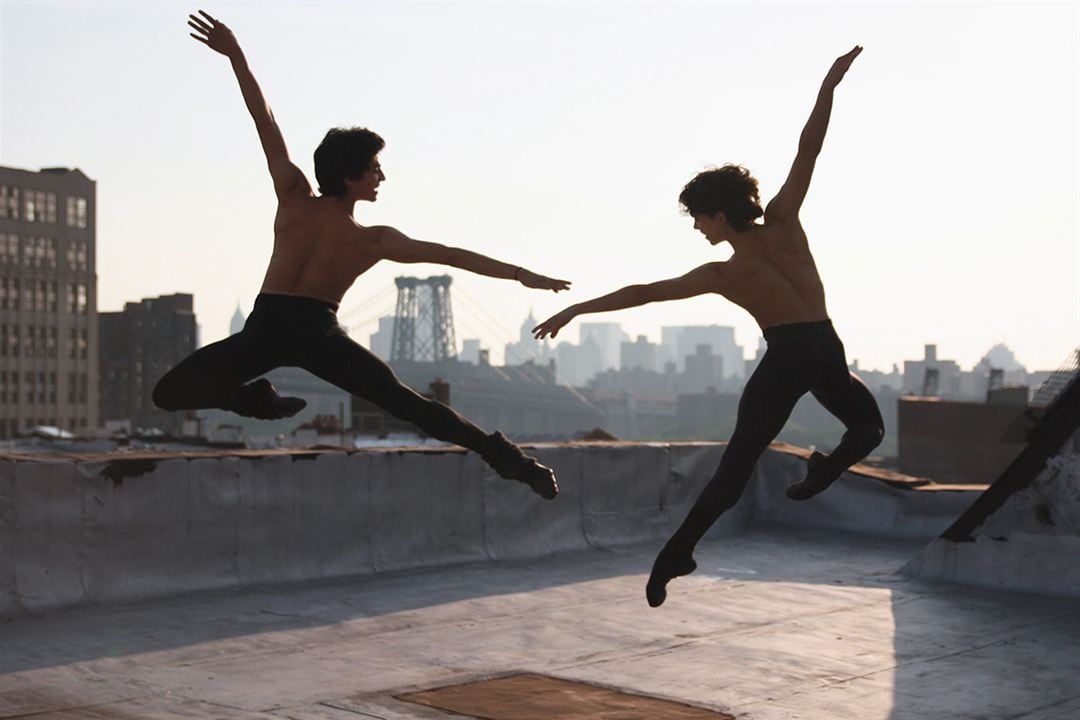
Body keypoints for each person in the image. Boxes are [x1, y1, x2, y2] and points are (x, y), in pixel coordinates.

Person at [154, 11, 569, 499]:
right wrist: (521, 275)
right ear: (351, 175)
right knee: (407, 404)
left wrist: (520, 275)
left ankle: (511, 462)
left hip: (282, 327)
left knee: (405, 403)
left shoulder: (306, 205)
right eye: (375, 168)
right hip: (299, 331)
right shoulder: (359, 232)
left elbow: (451, 254)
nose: (382, 177)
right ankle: (256, 400)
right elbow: (264, 119)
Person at [533, 47, 884, 603]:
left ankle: (678, 551)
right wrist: (829, 86)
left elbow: (645, 293)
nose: (696, 227)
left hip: (790, 355)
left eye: (698, 217)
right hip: (826, 345)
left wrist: (578, 308)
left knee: (737, 464)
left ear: (719, 214)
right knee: (868, 430)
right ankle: (821, 471)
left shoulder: (724, 272)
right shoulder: (785, 222)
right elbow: (808, 149)